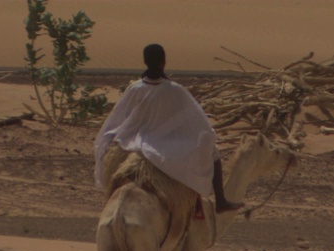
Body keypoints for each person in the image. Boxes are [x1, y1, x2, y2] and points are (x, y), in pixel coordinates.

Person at [94, 44, 243, 213]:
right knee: (213, 152)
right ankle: (221, 201)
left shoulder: (134, 88)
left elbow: (118, 118)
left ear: (145, 61)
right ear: (163, 62)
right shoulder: (175, 90)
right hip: (166, 145)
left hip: (133, 140)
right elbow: (195, 121)